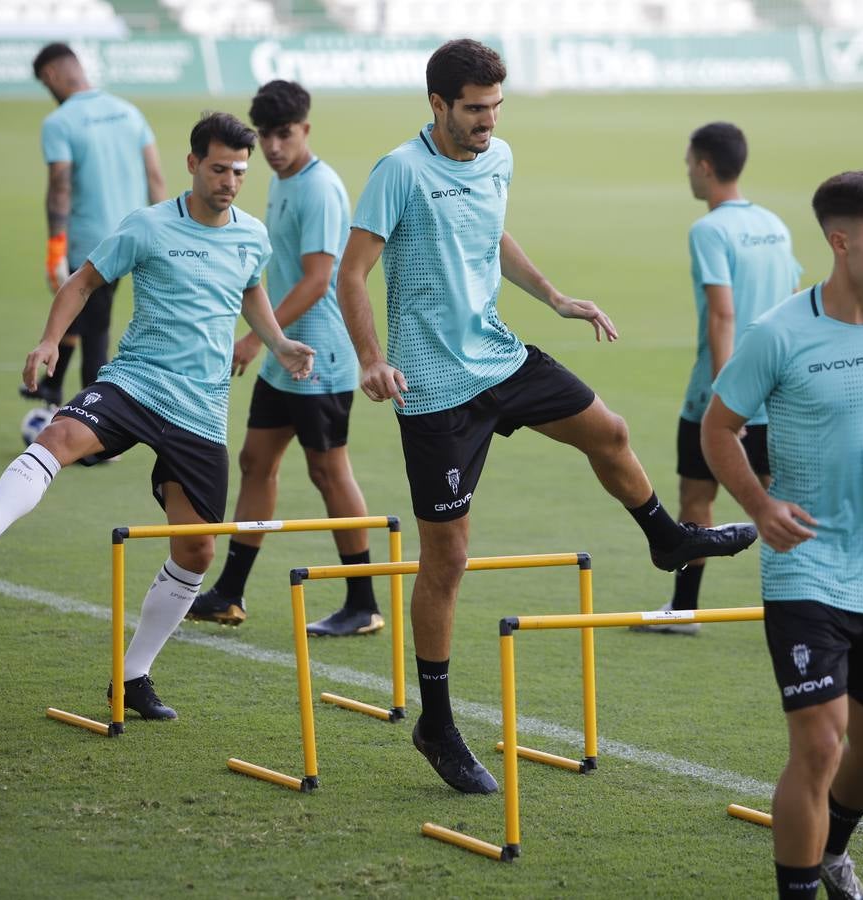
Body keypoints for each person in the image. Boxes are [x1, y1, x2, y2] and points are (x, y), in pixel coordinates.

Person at [337, 39, 757, 795]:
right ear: (437, 106)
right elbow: (353, 271)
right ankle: (436, 722)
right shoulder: (398, 172)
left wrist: (555, 296)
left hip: (500, 359)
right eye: (474, 109)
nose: (488, 121)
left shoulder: (498, 159)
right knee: (448, 561)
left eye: (497, 106)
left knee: (611, 432)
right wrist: (371, 357)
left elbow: (490, 233)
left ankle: (665, 538)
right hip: (434, 389)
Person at [0, 113, 315, 720]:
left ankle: (132, 676)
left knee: (196, 555)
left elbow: (251, 290)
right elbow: (82, 283)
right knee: (61, 435)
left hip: (200, 410)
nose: (229, 181)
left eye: (239, 172)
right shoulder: (146, 226)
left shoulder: (252, 236)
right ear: (192, 164)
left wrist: (277, 343)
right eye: (219, 168)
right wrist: (49, 342)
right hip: (135, 383)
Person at [702, 171, 863, 899]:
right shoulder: (778, 333)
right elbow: (719, 429)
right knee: (819, 745)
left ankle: (833, 851)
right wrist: (758, 506)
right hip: (806, 568)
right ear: (841, 242)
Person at [187, 80, 383, 638]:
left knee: (328, 470)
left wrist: (255, 340)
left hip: (317, 357)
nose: (273, 146)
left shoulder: (319, 189)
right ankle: (229, 592)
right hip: (284, 355)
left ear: (306, 130)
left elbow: (321, 280)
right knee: (255, 461)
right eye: (267, 136)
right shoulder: (281, 180)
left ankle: (363, 601)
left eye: (284, 134)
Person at [633, 122, 801, 636]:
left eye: (689, 163)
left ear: (705, 166)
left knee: (695, 499)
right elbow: (795, 291)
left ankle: (685, 612)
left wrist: (730, 397)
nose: (688, 172)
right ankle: (809, 610)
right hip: (778, 387)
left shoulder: (708, 230)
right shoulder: (774, 224)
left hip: (719, 394)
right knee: (783, 500)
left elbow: (722, 314)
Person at [21, 42, 167, 408]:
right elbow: (156, 178)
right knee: (82, 317)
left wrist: (55, 248)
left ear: (52, 76)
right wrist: (166, 237)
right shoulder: (129, 112)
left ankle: (97, 427)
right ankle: (53, 388)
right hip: (137, 237)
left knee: (94, 330)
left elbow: (60, 186)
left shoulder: (59, 122)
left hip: (91, 244)